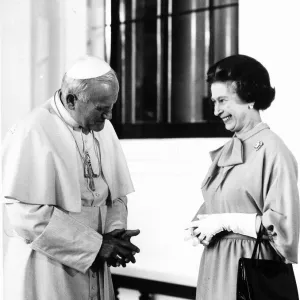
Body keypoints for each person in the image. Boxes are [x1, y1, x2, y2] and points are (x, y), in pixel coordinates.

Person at [1, 55, 140, 300]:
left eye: (111, 107)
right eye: (101, 108)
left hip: (96, 260)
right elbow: (24, 214)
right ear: (71, 99)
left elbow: (116, 194)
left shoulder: (102, 127)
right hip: (49, 266)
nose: (108, 117)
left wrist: (115, 233)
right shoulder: (33, 129)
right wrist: (95, 246)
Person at [185, 54, 299, 299]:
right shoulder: (231, 148)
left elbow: (286, 230)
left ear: (250, 99)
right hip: (217, 265)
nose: (216, 110)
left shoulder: (273, 150)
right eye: (214, 101)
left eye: (223, 101)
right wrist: (202, 223)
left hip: (248, 268)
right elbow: (229, 200)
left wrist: (227, 222)